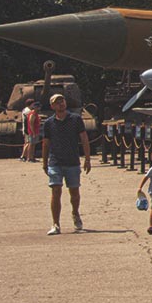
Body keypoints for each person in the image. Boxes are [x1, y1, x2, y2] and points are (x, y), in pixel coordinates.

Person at [41, 93, 91, 235]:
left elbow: (84, 138)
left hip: (72, 161)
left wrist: (87, 159)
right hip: (55, 161)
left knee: (74, 192)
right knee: (56, 191)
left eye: (62, 101)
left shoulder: (75, 119)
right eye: (57, 102)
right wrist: (45, 163)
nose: (61, 104)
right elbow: (45, 143)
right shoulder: (49, 123)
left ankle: (75, 213)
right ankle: (56, 224)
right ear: (52, 106)